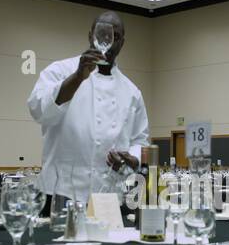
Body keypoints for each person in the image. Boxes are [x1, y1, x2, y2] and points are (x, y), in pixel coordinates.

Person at [27, 11, 149, 199]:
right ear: (90, 35)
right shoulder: (60, 71)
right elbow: (39, 111)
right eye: (102, 35)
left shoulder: (132, 92)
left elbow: (140, 140)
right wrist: (77, 78)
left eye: (115, 37)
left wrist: (133, 158)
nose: (107, 41)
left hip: (108, 195)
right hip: (60, 193)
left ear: (122, 43)